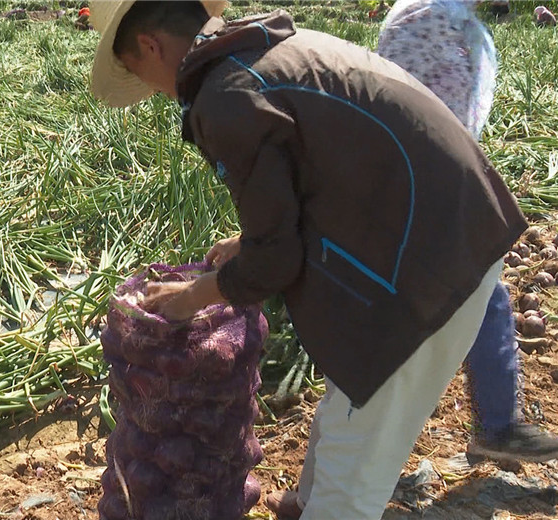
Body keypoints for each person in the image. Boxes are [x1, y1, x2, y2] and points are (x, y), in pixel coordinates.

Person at [89, 2, 526, 518]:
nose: (156, 94)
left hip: (425, 262)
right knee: (348, 402)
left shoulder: (225, 95)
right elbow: (313, 176)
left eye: (142, 76)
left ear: (150, 47)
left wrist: (191, 298)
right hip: (444, 228)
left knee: (355, 466)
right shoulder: (264, 51)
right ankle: (308, 504)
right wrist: (247, 242)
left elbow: (275, 263)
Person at [378, 0, 558, 465]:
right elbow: (402, 107)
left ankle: (493, 424)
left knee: (483, 296)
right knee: (474, 297)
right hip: (424, 188)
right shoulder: (428, 17)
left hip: (432, 184)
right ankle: (493, 427)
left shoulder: (448, 15)